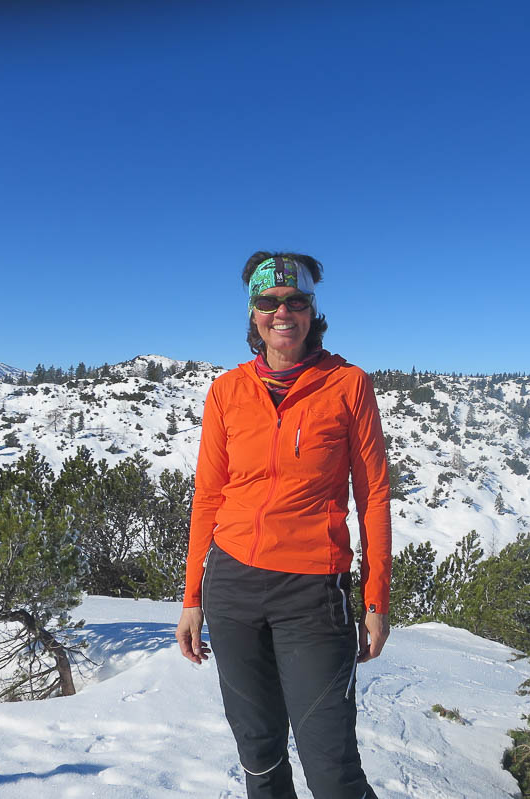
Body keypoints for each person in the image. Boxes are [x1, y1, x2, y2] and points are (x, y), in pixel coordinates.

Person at [175, 251, 392, 799]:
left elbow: (373, 497)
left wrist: (375, 601)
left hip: (312, 593)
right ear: (253, 313)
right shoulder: (227, 390)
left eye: (296, 301)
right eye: (269, 302)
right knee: (260, 757)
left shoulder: (348, 385)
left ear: (312, 310)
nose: (283, 312)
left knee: (333, 769)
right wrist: (191, 596)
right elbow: (208, 496)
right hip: (232, 587)